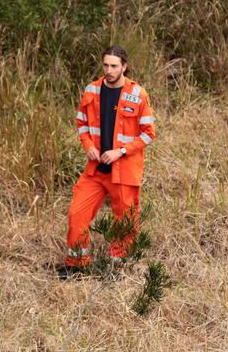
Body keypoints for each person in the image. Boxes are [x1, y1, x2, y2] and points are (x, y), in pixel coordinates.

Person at [58, 45, 156, 279]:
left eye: (114, 66)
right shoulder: (91, 90)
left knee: (125, 220)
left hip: (124, 170)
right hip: (96, 171)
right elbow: (81, 123)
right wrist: (89, 146)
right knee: (76, 213)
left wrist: (120, 151)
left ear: (124, 66)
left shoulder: (138, 94)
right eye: (106, 65)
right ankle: (77, 264)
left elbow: (148, 134)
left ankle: (118, 267)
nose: (109, 70)